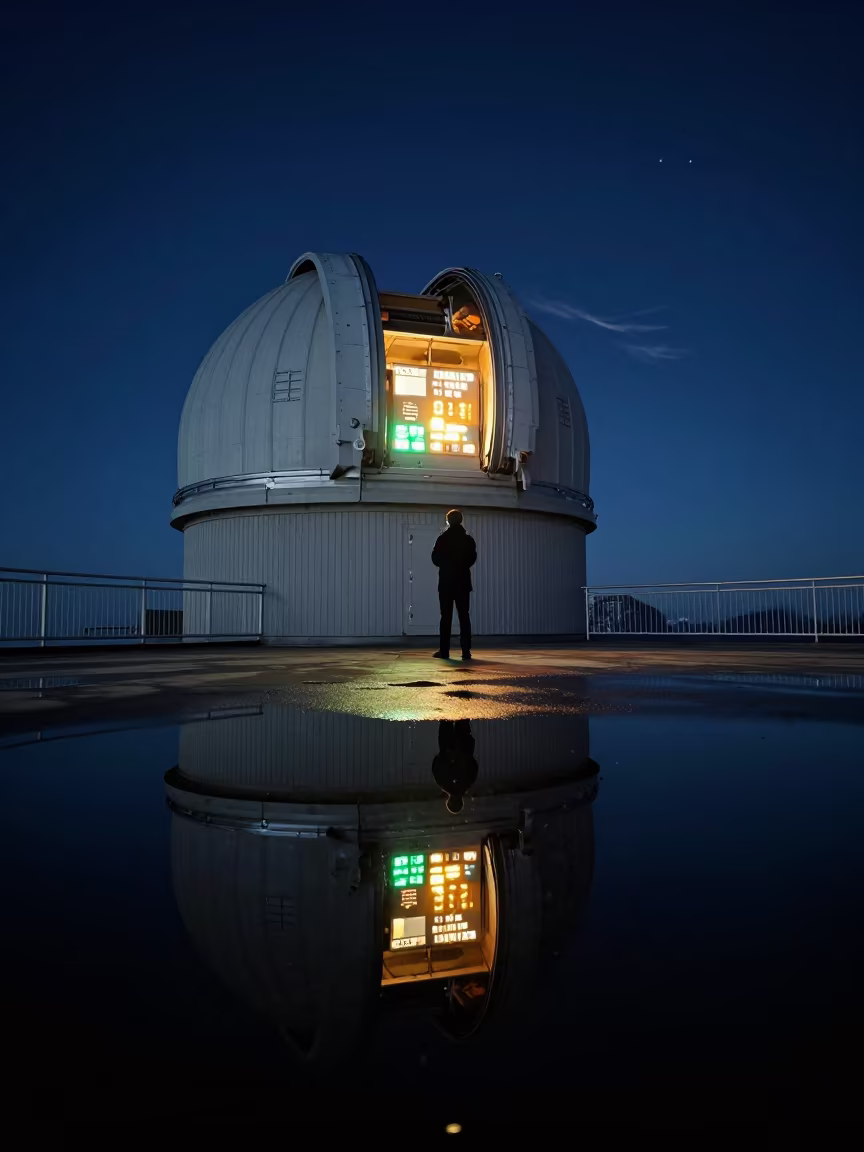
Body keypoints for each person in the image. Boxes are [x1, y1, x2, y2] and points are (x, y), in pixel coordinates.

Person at [431, 508, 477, 660]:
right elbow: (472, 558)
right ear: (461, 520)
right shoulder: (468, 540)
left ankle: (444, 651)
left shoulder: (442, 539)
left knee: (446, 617)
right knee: (464, 616)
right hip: (463, 582)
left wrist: (446, 565)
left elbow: (435, 559)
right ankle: (466, 651)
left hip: (446, 582)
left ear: (448, 521)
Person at [431, 720, 478, 814]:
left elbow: (474, 765)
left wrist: (465, 756)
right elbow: (435, 765)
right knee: (446, 721)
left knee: (461, 720)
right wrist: (444, 756)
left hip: (463, 747)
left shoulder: (468, 783)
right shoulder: (443, 784)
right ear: (448, 801)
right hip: (448, 748)